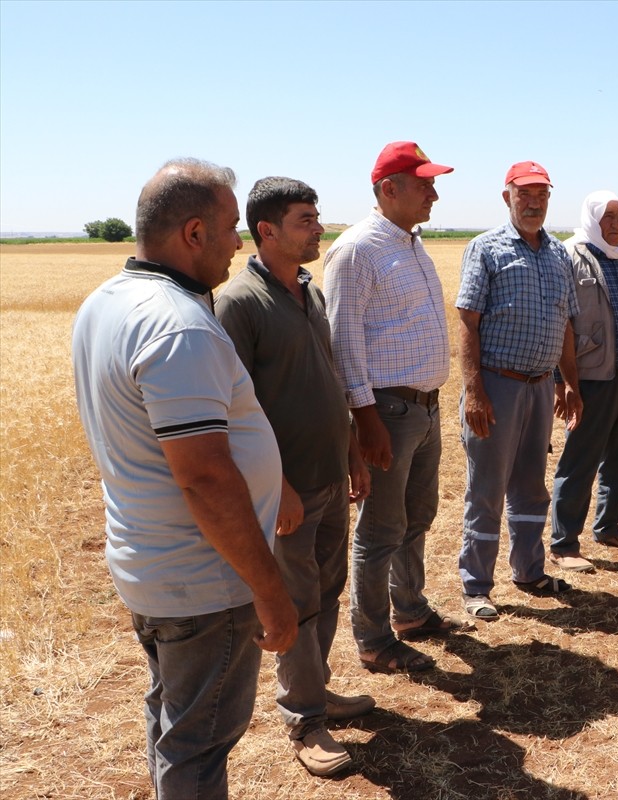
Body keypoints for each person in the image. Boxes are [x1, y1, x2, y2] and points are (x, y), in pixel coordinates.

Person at [72, 158, 298, 799]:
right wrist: (270, 591)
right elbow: (204, 479)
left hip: (153, 566)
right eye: (230, 227)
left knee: (174, 724)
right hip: (205, 582)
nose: (239, 242)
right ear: (194, 233)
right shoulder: (176, 327)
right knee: (198, 746)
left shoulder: (104, 304)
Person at [214, 177, 375, 778]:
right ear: (267, 231)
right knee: (296, 600)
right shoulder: (239, 303)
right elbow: (232, 407)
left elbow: (329, 380)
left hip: (331, 474)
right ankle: (304, 719)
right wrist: (275, 485)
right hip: (288, 490)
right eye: (306, 220)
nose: (318, 229)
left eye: (316, 217)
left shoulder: (310, 292)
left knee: (326, 593)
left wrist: (353, 453)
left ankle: (317, 691)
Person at [325, 142, 473, 676]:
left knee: (418, 516)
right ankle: (372, 637)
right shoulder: (357, 250)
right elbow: (343, 344)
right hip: (386, 411)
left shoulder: (409, 243)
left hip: (423, 409)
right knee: (380, 528)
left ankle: (409, 611)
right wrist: (366, 422)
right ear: (390, 189)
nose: (434, 193)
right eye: (424, 183)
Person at [455, 160, 583, 619]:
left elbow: (566, 324)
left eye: (542, 194)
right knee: (486, 491)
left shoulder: (558, 255)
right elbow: (468, 321)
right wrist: (474, 391)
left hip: (539, 388)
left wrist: (569, 382)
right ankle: (476, 587)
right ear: (506, 196)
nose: (534, 202)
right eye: (524, 194)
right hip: (497, 386)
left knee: (531, 488)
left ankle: (529, 571)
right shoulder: (485, 249)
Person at [548, 191, 618, 573]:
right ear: (591, 218)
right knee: (579, 461)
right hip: (591, 381)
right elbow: (558, 323)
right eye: (607, 216)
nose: (615, 224)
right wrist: (561, 383)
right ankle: (564, 544)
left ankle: (610, 526)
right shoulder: (569, 257)